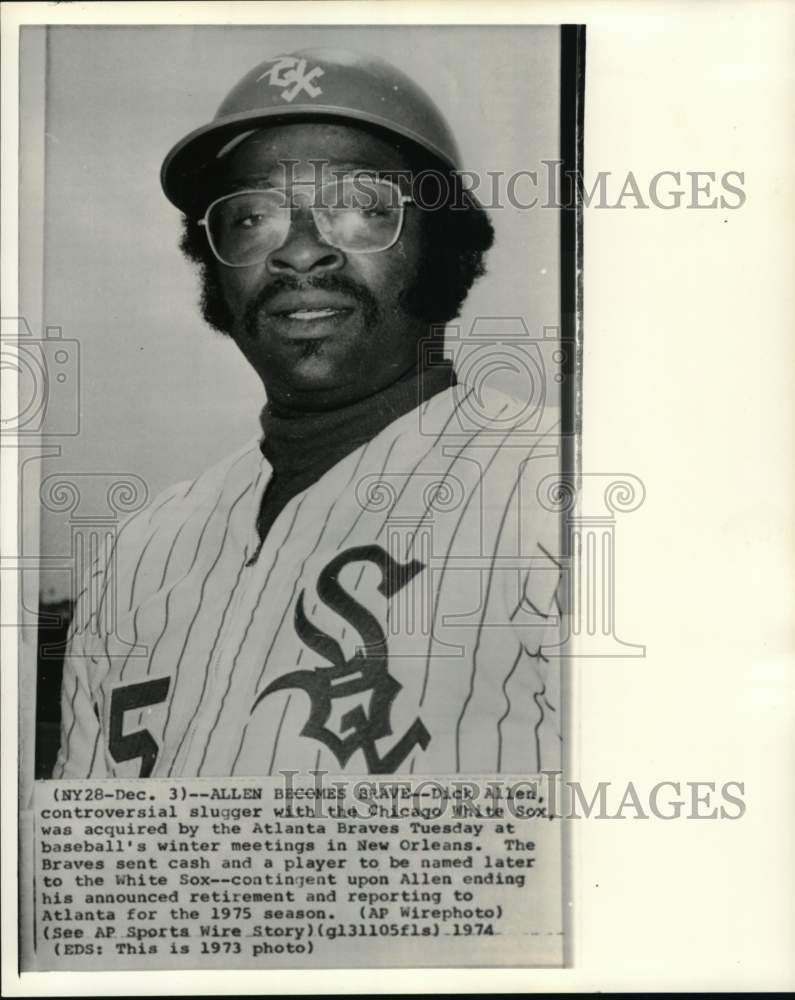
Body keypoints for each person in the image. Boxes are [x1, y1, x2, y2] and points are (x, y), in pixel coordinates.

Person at [53, 48, 564, 779]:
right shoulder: (137, 553)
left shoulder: (559, 494)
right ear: (214, 266)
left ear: (441, 247)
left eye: (360, 207)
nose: (299, 251)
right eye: (252, 216)